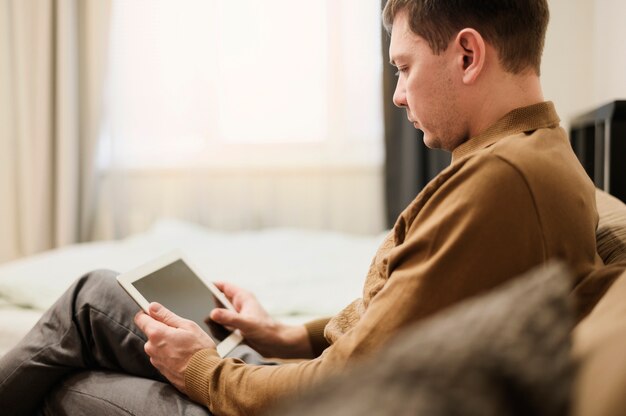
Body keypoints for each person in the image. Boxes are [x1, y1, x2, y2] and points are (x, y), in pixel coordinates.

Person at [0, 0, 602, 415]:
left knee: (71, 373)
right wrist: (285, 334)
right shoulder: (538, 159)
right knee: (100, 297)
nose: (397, 93)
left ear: (467, 55)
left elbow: (356, 383)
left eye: (404, 67)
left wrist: (206, 371)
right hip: (306, 386)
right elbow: (401, 317)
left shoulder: (502, 180)